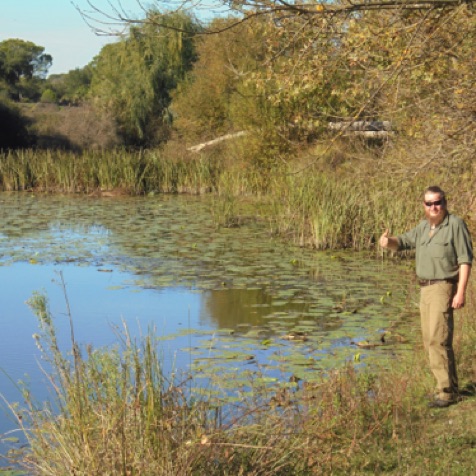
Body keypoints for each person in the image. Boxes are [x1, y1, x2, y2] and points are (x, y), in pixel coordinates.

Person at [379, 185, 472, 408]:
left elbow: (465, 261)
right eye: (429, 203)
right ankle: (445, 387)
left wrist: (460, 292)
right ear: (424, 206)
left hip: (443, 287)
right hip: (425, 289)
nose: (433, 207)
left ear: (445, 203)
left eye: (437, 202)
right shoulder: (423, 227)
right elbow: (402, 242)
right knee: (429, 340)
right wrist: (387, 241)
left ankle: (447, 393)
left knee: (438, 339)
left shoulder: (455, 225)